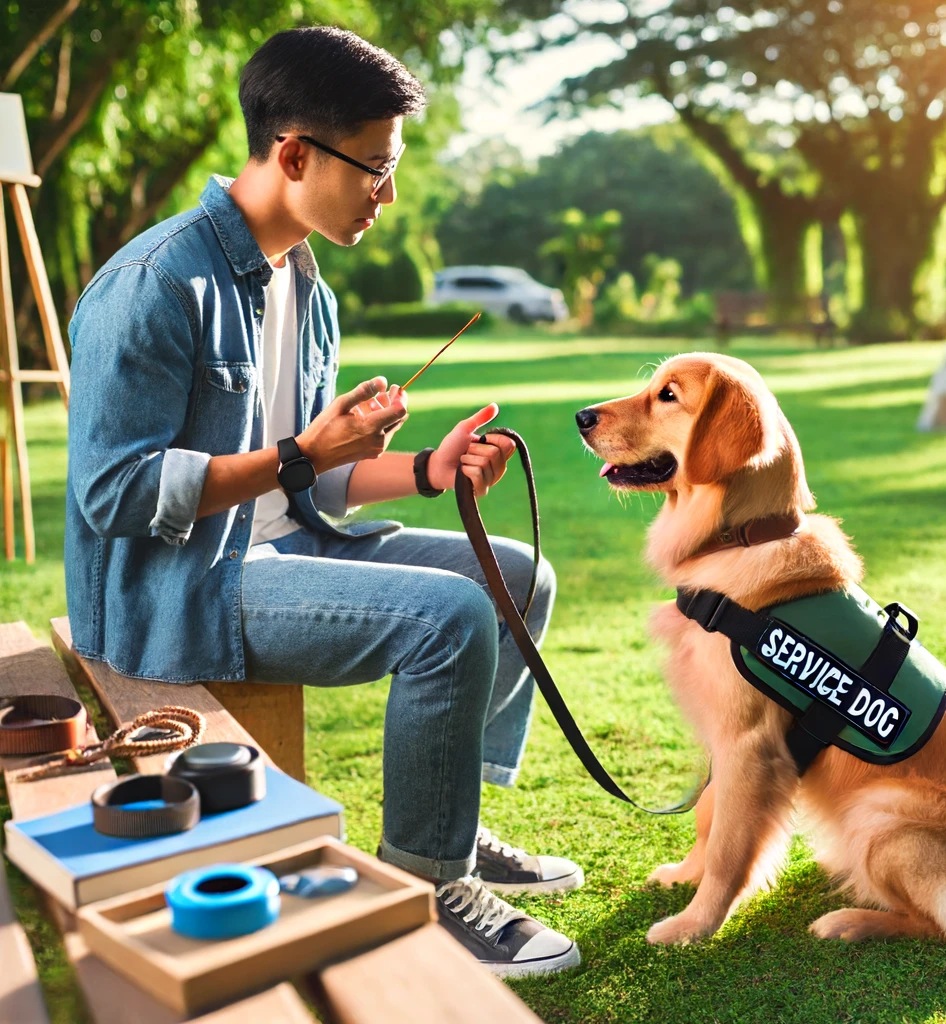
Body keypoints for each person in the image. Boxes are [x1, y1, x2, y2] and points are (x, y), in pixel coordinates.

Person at [64, 26, 581, 977]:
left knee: (518, 577)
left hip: (293, 547)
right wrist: (303, 449)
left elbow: (316, 478)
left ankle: (452, 825)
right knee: (452, 616)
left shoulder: (309, 289)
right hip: (184, 583)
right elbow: (117, 494)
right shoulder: (153, 284)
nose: (388, 195)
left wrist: (430, 468)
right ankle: (429, 882)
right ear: (294, 152)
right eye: (375, 170)